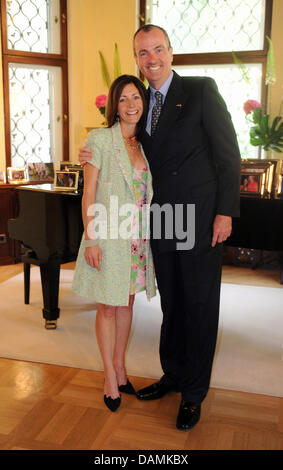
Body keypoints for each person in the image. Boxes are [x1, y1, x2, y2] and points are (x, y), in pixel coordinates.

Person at [78, 24, 241, 430]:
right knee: (173, 306)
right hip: (159, 224)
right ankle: (174, 374)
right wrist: (92, 146)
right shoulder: (139, 104)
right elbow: (120, 145)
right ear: (137, 59)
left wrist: (225, 211)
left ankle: (194, 393)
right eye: (143, 53)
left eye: (158, 50)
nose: (151, 59)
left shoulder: (201, 91)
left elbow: (229, 154)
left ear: (171, 52)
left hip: (199, 221)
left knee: (199, 307)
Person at [72, 74, 156, 412]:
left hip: (137, 238)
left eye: (136, 97)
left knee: (126, 304)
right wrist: (91, 238)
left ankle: (121, 368)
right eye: (123, 99)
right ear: (114, 105)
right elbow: (87, 193)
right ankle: (109, 377)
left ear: (144, 102)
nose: (131, 105)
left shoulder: (147, 143)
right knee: (107, 305)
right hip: (108, 235)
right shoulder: (100, 140)